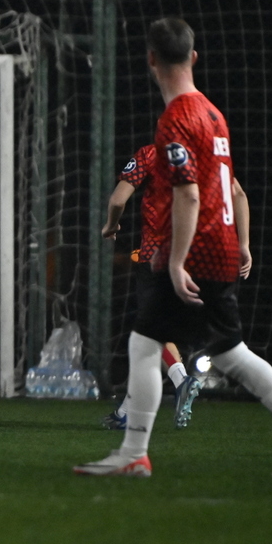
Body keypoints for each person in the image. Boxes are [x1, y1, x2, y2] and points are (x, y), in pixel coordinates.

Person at [75, 17, 272, 477]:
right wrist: (241, 244)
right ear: (193, 57)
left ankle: (134, 454)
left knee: (144, 342)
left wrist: (176, 260)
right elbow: (230, 190)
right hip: (224, 247)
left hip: (196, 251)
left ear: (151, 60)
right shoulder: (214, 115)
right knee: (230, 351)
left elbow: (190, 194)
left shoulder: (175, 119)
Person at [100, 143, 205, 430]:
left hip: (156, 257)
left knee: (148, 334)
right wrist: (243, 245)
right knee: (152, 335)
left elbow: (118, 200)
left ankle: (180, 381)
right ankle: (127, 411)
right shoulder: (205, 154)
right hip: (194, 256)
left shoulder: (150, 154)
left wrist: (111, 225)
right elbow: (236, 194)